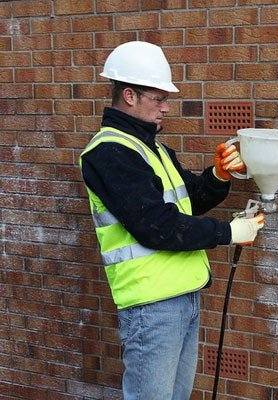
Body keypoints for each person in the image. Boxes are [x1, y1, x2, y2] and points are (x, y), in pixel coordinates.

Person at [79, 41, 264, 400]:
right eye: (158, 98)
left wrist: (218, 175)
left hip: (181, 297)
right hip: (152, 305)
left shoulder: (154, 149)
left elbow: (188, 201)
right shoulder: (109, 152)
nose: (166, 107)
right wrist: (228, 232)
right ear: (129, 95)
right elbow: (157, 225)